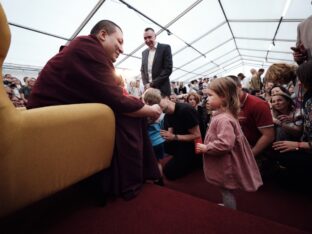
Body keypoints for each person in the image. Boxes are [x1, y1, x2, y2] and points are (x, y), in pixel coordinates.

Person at [27, 20, 162, 200]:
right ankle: (127, 179)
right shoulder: (88, 50)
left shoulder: (88, 50)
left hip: (53, 114)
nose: (122, 49)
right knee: (125, 116)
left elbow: (113, 93)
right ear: (103, 35)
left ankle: (133, 173)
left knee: (125, 112)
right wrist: (151, 111)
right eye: (120, 41)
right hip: (44, 119)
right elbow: (118, 100)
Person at [196, 77, 262, 209]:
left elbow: (225, 144)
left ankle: (230, 211)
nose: (207, 99)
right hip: (225, 160)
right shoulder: (222, 115)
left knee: (226, 189)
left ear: (224, 97)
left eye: (210, 95)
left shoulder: (224, 119)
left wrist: (206, 147)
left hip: (226, 163)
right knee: (225, 189)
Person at [144, 88, 202, 180]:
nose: (157, 105)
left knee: (169, 173)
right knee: (163, 152)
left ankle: (197, 161)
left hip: (194, 146)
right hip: (182, 143)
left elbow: (197, 136)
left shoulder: (185, 110)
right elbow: (170, 131)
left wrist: (173, 137)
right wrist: (167, 136)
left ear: (166, 97)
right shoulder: (167, 115)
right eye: (153, 104)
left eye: (158, 101)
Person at [141, 27, 173, 96]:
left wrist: (152, 84)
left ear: (155, 36)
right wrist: (146, 84)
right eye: (145, 38)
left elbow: (168, 69)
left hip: (162, 91)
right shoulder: (144, 53)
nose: (147, 40)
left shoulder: (165, 48)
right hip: (149, 91)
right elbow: (142, 70)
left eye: (149, 37)